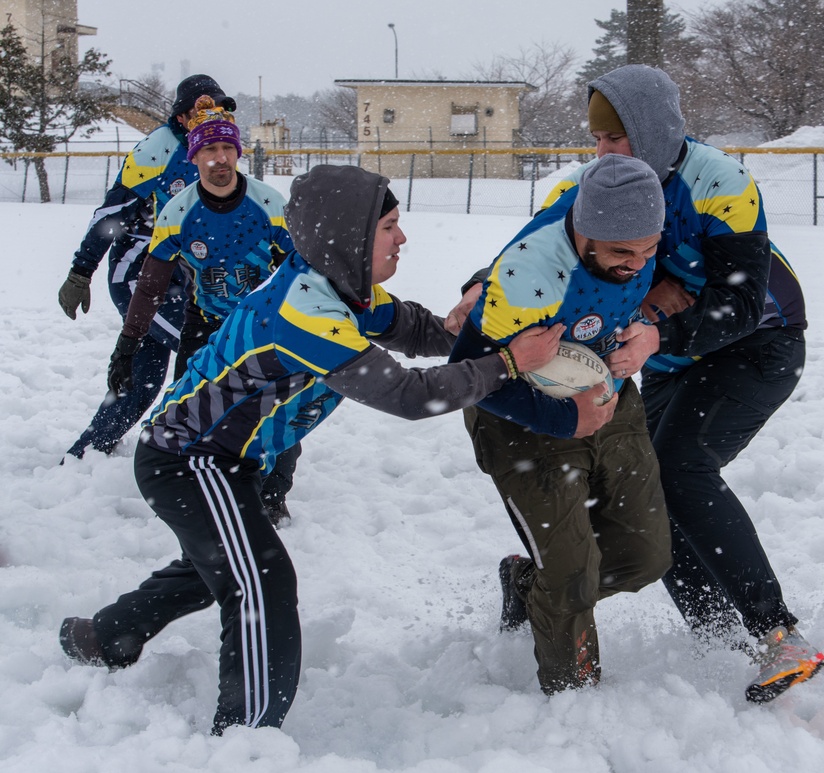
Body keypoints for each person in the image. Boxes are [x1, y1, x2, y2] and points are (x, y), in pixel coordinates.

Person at [58, 163, 563, 735]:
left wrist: (465, 332)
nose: (402, 238)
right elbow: (407, 395)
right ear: (349, 238)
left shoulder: (339, 286)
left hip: (225, 462)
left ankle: (101, 638)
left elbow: (411, 327)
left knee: (214, 568)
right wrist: (508, 362)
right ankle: (244, 738)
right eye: (390, 226)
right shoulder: (304, 311)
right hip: (187, 460)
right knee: (259, 583)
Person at [446, 64, 824, 704]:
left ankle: (776, 631)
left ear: (651, 134)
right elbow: (534, 247)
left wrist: (661, 333)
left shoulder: (719, 181)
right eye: (596, 141)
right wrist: (478, 285)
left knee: (681, 470)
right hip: (662, 357)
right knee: (655, 492)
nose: (601, 154)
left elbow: (740, 300)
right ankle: (711, 631)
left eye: (614, 140)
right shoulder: (595, 187)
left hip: (756, 345)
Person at [449, 153, 673, 695]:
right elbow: (469, 373)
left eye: (649, 249)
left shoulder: (626, 221)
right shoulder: (531, 275)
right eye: (622, 253)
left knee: (646, 556)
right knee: (572, 573)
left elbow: (676, 287)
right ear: (584, 232)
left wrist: (650, 327)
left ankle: (528, 585)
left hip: (607, 396)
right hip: (520, 416)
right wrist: (562, 418)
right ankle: (573, 701)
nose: (638, 265)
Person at [106, 94, 298, 525]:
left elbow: (302, 273)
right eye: (209, 149)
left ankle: (271, 498)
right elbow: (152, 284)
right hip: (206, 324)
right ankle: (195, 486)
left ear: (238, 153)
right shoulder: (177, 212)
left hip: (262, 324)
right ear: (194, 156)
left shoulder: (269, 205)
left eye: (227, 148)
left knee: (278, 413)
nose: (220, 158)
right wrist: (127, 344)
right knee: (185, 410)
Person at [58, 74, 236, 460]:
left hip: (184, 278)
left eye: (217, 109)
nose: (208, 117)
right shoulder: (158, 149)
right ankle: (182, 451)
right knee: (208, 355)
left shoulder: (217, 149)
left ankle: (85, 454)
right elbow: (112, 214)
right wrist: (81, 270)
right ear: (182, 115)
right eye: (199, 111)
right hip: (141, 274)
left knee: (142, 382)